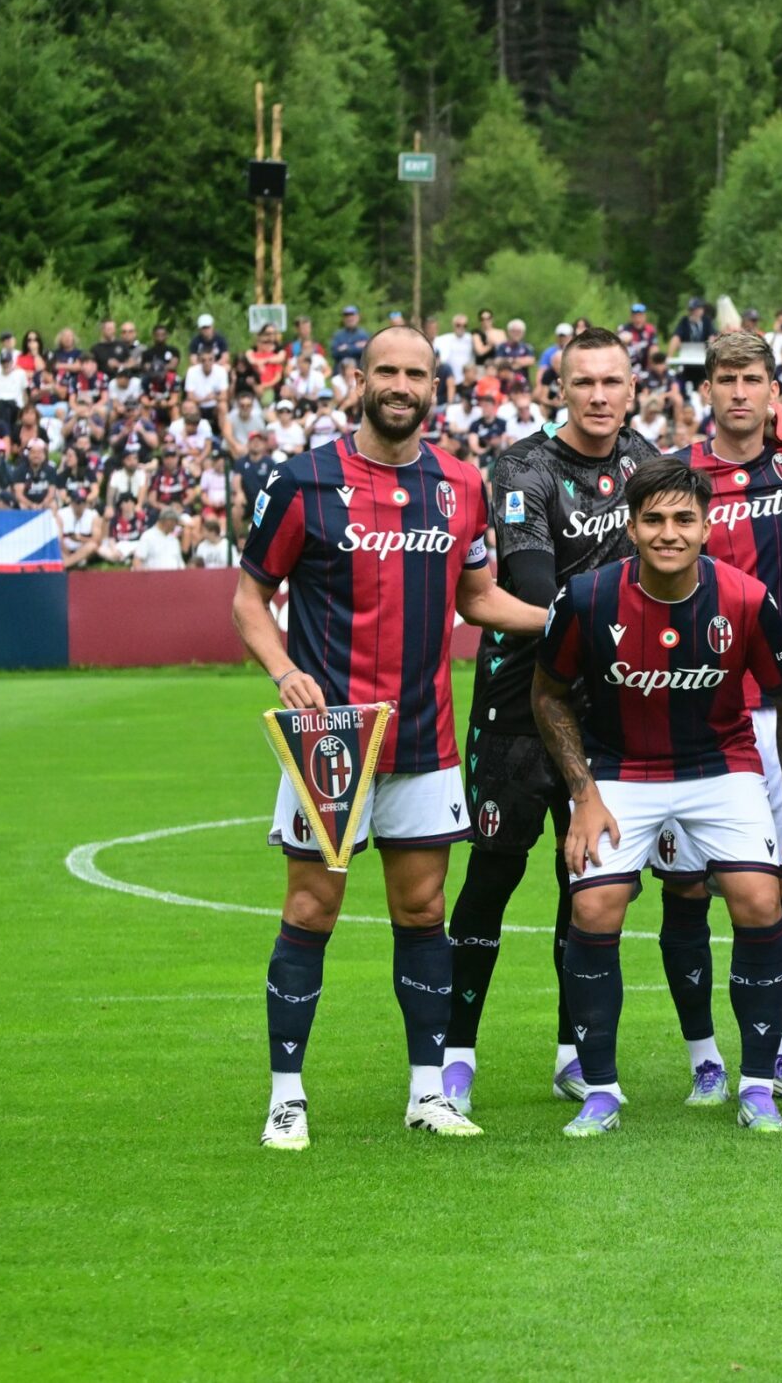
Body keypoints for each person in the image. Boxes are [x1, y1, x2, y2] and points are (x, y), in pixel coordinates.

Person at [233, 325, 548, 1151]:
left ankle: (425, 1093)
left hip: (425, 737)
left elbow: (478, 598)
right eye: (387, 371)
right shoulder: (303, 479)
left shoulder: (460, 483)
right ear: (361, 380)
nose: (401, 384)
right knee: (312, 906)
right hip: (331, 738)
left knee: (422, 908)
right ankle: (287, 1096)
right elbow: (248, 599)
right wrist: (283, 671)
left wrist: (566, 618)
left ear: (433, 387)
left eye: (416, 372)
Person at [529, 459, 782, 1136]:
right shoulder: (587, 597)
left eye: (683, 519)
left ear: (706, 527)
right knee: (595, 904)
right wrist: (583, 792)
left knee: (758, 897)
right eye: (653, 519)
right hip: (621, 772)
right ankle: (600, 1089)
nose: (668, 532)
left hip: (721, 769)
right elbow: (548, 693)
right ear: (631, 527)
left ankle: (755, 1086)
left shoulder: (746, 599)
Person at [439, 328, 666, 1116]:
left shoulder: (654, 466)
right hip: (516, 696)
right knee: (493, 874)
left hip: (610, 706)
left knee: (590, 880)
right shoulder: (522, 467)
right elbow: (533, 585)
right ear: (558, 388)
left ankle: (574, 1051)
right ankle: (454, 1052)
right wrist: (622, 623)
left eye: (613, 381)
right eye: (584, 382)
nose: (599, 395)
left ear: (634, 386)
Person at [668, 330, 782, 1100]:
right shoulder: (679, 476)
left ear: (774, 388)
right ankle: (704, 1053)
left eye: (753, 378)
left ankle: (769, 1051)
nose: (739, 391)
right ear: (706, 389)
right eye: (726, 378)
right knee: (684, 889)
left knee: (779, 883)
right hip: (693, 712)